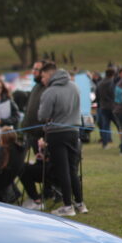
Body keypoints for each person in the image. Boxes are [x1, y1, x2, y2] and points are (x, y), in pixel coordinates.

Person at [37, 63, 87, 217]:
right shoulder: (74, 87)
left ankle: (67, 206)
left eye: (43, 76)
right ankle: (80, 203)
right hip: (74, 132)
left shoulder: (50, 92)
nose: (42, 79)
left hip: (57, 134)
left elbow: (42, 116)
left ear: (50, 75)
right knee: (72, 169)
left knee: (63, 170)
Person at [20, 61, 48, 154]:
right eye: (33, 69)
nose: (33, 72)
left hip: (41, 135)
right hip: (30, 133)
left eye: (36, 69)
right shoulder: (36, 86)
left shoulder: (48, 88)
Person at [94, 68, 118, 149]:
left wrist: (99, 103)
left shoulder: (100, 83)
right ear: (113, 75)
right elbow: (114, 95)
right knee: (119, 125)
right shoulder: (112, 83)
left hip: (103, 107)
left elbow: (97, 95)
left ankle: (105, 144)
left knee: (105, 126)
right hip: (112, 107)